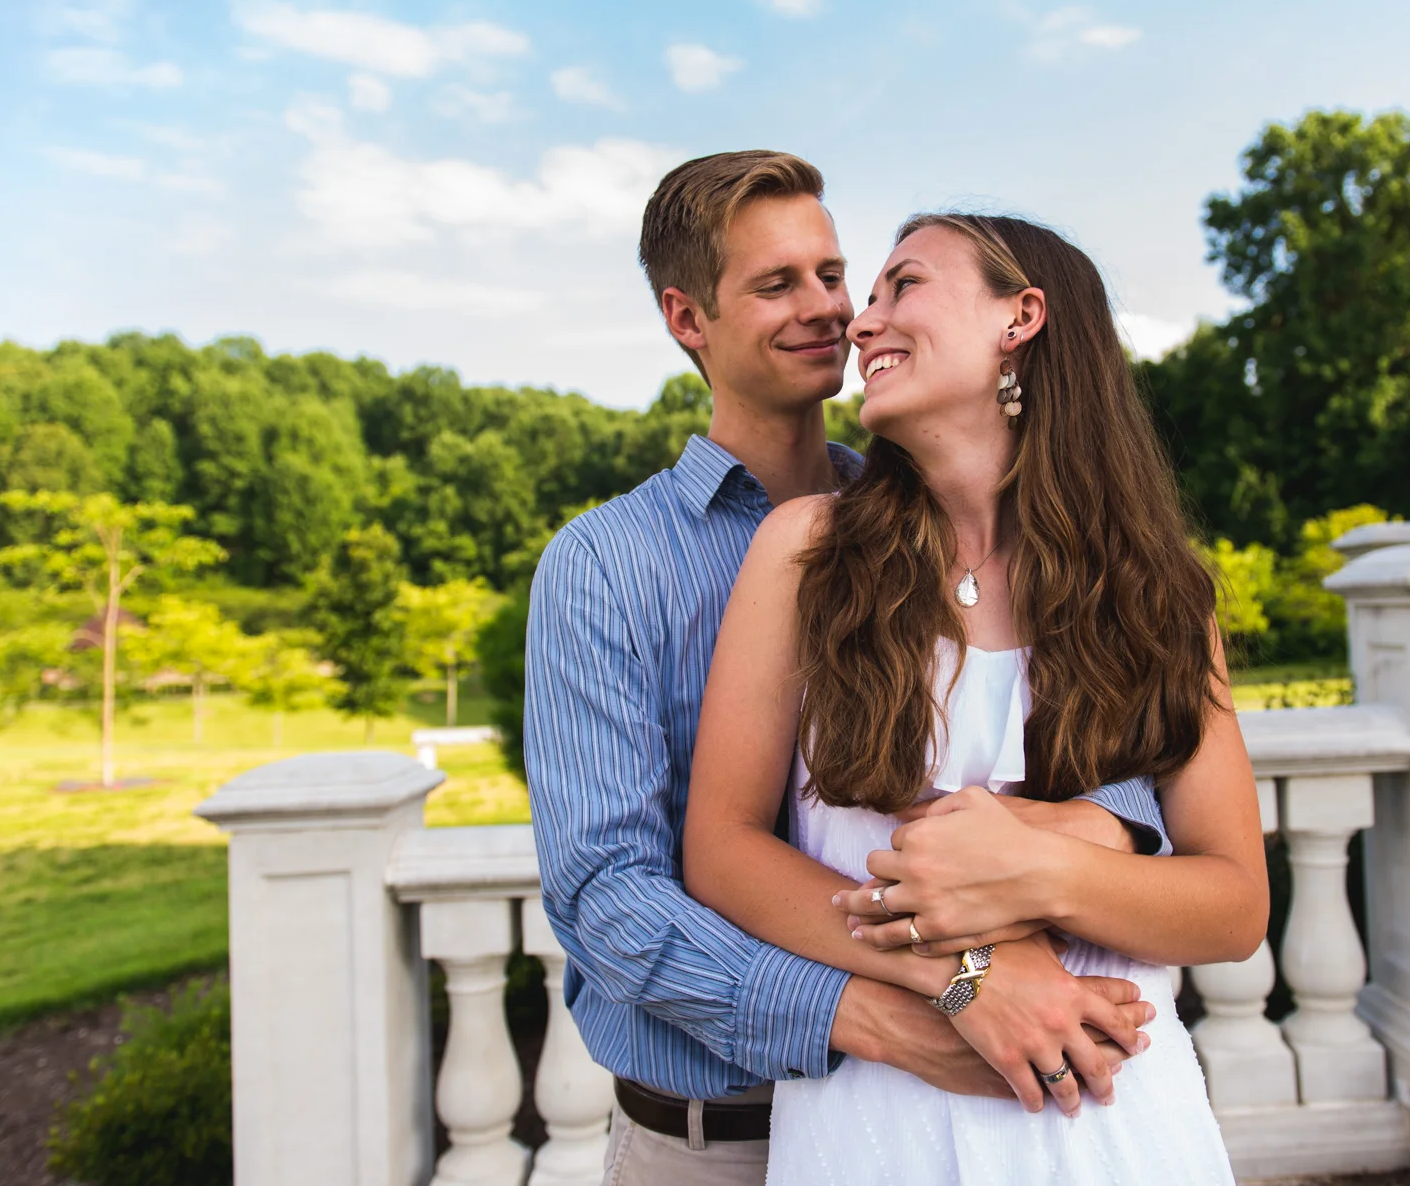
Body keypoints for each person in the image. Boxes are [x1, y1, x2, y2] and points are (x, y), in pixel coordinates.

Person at [527, 153, 1172, 1186]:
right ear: (688, 320)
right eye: (777, 284)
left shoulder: (936, 523)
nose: (828, 308)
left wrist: (1097, 821)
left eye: (835, 274)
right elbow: (607, 895)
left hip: (951, 1102)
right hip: (720, 1130)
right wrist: (911, 1004)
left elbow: (1075, 722)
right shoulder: (605, 564)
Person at [683, 212, 1268, 1184]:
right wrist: (968, 971)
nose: (861, 324)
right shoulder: (805, 551)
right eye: (868, 298)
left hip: (1112, 1118)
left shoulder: (1160, 591)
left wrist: (1035, 869)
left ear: (1021, 317)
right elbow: (722, 847)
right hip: (882, 1121)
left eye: (900, 285)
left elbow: (1234, 903)